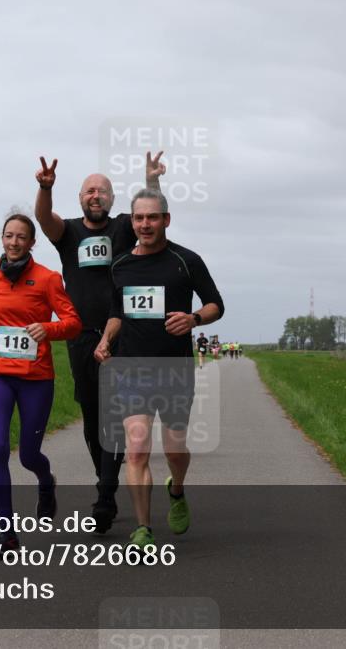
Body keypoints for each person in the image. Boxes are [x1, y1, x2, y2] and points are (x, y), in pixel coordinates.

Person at [34, 152, 164, 533]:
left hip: (122, 335)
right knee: (92, 419)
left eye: (103, 191)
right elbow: (44, 219)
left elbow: (148, 213)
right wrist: (45, 188)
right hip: (80, 338)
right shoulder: (70, 233)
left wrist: (152, 181)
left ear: (111, 198)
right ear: (80, 198)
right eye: (90, 190)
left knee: (112, 415)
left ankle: (105, 496)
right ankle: (105, 480)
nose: (96, 195)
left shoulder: (124, 228)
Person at [95, 188, 224, 549]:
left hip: (174, 369)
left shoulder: (186, 261)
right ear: (132, 222)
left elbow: (216, 304)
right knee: (136, 447)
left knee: (174, 450)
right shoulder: (120, 265)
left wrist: (194, 318)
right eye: (139, 218)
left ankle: (177, 489)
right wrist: (106, 340)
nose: (145, 224)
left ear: (166, 220)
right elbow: (117, 313)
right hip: (131, 368)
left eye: (153, 217)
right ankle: (142, 529)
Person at [0, 213, 82, 554]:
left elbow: (73, 322)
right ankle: (7, 535)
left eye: (21, 237)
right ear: (2, 238)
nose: (14, 242)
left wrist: (50, 329)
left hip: (36, 379)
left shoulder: (47, 279)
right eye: (8, 236)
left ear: (32, 243)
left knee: (29, 455)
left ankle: (46, 482)